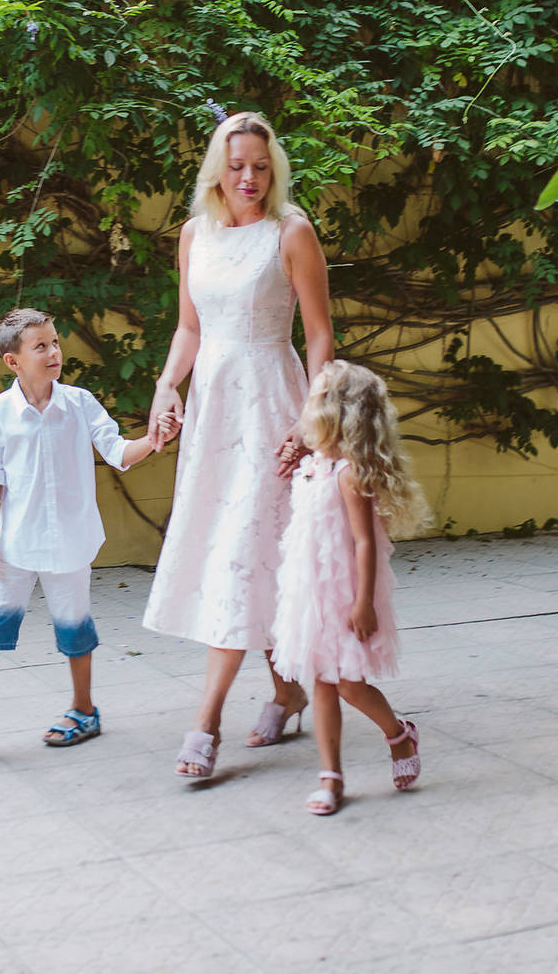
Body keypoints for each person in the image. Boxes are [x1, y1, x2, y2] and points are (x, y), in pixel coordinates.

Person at [141, 111, 334, 780]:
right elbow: (189, 328)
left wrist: (310, 420)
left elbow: (320, 336)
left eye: (259, 165)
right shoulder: (195, 235)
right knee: (249, 554)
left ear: (273, 168)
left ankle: (206, 721)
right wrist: (169, 386)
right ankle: (287, 690)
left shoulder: (293, 232)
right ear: (216, 171)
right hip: (214, 408)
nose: (248, 177)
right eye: (236, 165)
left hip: (272, 400)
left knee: (248, 549)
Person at [0, 307, 174, 756]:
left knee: (74, 627)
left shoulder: (80, 403)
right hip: (14, 542)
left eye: (56, 342)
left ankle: (84, 709)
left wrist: (156, 438)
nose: (54, 351)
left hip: (69, 540)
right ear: (14, 361)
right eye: (40, 346)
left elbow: (119, 451)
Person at [271, 361, 432, 815]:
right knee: (320, 682)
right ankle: (330, 777)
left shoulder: (348, 473)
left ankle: (399, 735)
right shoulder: (313, 465)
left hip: (346, 592)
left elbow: (365, 543)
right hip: (309, 591)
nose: (309, 407)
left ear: (343, 413)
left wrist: (363, 602)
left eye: (319, 399)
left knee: (348, 684)